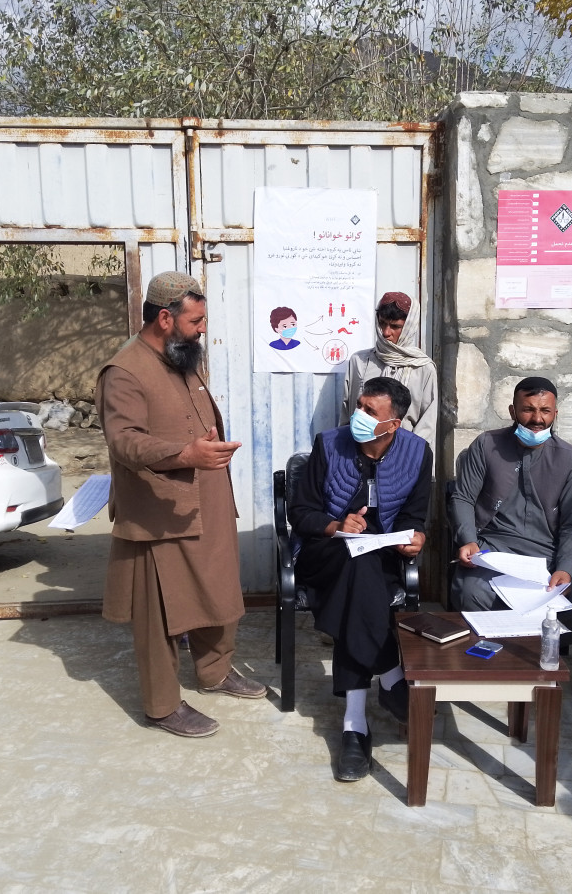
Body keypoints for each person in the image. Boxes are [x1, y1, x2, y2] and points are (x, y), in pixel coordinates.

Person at [97, 270, 266, 739]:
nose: (204, 328)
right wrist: (184, 455)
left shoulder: (181, 356)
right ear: (166, 318)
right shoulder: (124, 371)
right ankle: (162, 705)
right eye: (197, 320)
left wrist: (204, 447)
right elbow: (124, 442)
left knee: (217, 591)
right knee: (161, 615)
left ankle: (214, 670)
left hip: (207, 502)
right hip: (159, 513)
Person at [289, 376, 432, 782]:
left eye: (371, 412)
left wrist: (415, 537)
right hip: (325, 553)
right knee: (356, 560)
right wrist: (337, 525)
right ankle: (390, 675)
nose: (360, 416)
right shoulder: (328, 443)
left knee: (363, 567)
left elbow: (414, 516)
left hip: (380, 558)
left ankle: (356, 726)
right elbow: (300, 512)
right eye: (359, 406)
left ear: (394, 424)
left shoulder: (418, 454)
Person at [448, 376, 572, 643]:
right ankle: (497, 661)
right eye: (528, 409)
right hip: (493, 551)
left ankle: (531, 659)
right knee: (471, 592)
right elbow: (462, 497)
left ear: (555, 413)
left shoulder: (571, 459)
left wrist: (564, 568)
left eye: (545, 411)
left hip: (548, 555)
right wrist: (469, 540)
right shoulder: (486, 445)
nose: (537, 418)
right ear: (513, 411)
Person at [342, 291, 437, 450]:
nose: (386, 332)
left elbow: (427, 425)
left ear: (409, 327)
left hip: (404, 454)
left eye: (395, 326)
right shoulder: (359, 361)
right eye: (382, 323)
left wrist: (412, 458)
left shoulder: (423, 368)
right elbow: (346, 415)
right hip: (359, 452)